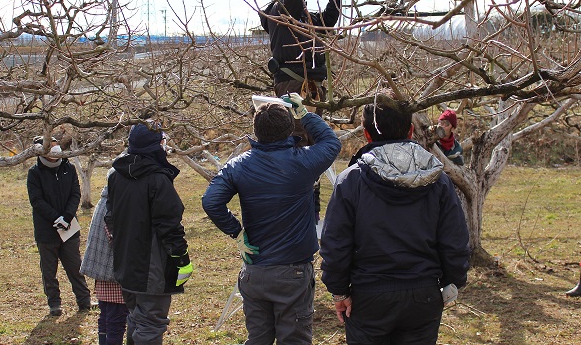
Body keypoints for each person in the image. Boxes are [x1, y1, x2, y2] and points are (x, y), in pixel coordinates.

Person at [320, 94, 470, 345]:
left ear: (366, 134)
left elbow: (335, 243)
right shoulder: (439, 179)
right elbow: (455, 239)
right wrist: (453, 281)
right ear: (410, 130)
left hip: (369, 296)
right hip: (422, 294)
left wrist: (339, 291)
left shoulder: (351, 180)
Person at [202, 93, 341, 345]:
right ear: (289, 130)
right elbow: (331, 143)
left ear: (256, 131)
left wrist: (237, 232)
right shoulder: (305, 160)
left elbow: (211, 201)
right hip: (293, 272)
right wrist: (304, 115)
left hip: (254, 272)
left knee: (258, 339)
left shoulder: (238, 165)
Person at [260, 0, 342, 223]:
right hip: (293, 82)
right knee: (296, 140)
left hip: (312, 84)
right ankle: (293, 206)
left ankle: (311, 209)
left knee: (312, 141)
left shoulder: (302, 16)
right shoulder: (277, 12)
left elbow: (328, 21)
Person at [105, 121, 193, 345]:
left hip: (125, 265)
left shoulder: (116, 175)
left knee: (137, 318)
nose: (165, 145)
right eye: (162, 141)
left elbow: (110, 218)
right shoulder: (157, 179)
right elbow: (170, 225)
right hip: (151, 269)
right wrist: (182, 259)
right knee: (151, 324)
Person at [27, 135, 91, 316]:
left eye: (56, 146)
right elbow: (36, 200)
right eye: (50, 146)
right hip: (46, 230)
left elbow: (75, 194)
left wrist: (67, 217)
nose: (55, 150)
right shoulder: (34, 173)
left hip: (69, 228)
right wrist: (56, 218)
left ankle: (84, 300)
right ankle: (54, 303)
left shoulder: (68, 168)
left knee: (75, 266)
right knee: (49, 271)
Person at [81, 170, 129, 345]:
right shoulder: (114, 204)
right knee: (115, 319)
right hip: (112, 271)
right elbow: (116, 238)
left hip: (103, 269)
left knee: (107, 317)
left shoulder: (105, 199)